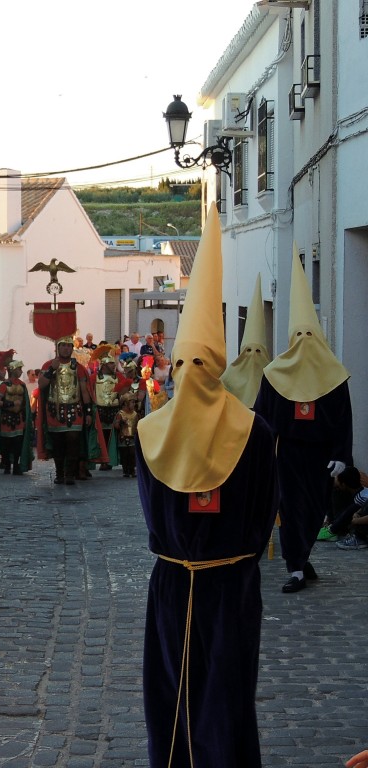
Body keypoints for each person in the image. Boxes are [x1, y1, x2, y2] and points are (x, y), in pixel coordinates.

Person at [136, 207, 277, 768]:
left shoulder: (152, 433)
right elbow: (266, 511)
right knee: (226, 695)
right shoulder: (254, 429)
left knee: (179, 694)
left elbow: (151, 512)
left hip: (175, 583)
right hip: (232, 584)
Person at [254, 245, 354, 593]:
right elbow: (262, 418)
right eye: (299, 336)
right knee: (291, 509)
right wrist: (260, 450)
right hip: (289, 453)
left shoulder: (334, 375)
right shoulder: (273, 374)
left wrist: (343, 455)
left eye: (309, 335)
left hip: (323, 456)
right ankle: (295, 565)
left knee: (314, 511)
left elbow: (344, 419)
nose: (304, 342)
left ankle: (303, 553)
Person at [37, 335, 94, 485]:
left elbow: (84, 391)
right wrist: (51, 370)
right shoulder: (48, 365)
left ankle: (70, 474)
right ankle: (59, 474)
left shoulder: (78, 367)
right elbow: (41, 385)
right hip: (54, 410)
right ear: (58, 347)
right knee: (58, 443)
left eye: (69, 346)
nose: (66, 348)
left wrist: (88, 412)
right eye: (63, 345)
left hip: (74, 409)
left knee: (73, 441)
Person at [221, 274, 271, 408]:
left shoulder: (273, 377)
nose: (253, 355)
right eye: (248, 350)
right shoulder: (229, 378)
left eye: (258, 351)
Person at [90, 345, 131, 471]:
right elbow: (91, 393)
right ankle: (103, 460)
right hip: (100, 410)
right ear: (103, 364)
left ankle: (120, 461)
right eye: (111, 364)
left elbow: (126, 392)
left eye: (114, 364)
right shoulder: (94, 378)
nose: (114, 366)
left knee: (117, 437)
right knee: (101, 437)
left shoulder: (118, 377)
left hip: (114, 410)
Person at [0, 360, 29, 475]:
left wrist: (26, 419)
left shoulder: (22, 385)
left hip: (19, 418)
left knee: (18, 442)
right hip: (6, 418)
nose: (21, 371)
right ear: (13, 370)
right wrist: (11, 404)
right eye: (19, 369)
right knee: (6, 443)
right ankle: (7, 465)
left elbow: (25, 404)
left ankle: (16, 465)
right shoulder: (4, 385)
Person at [112, 393, 139, 477]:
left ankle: (132, 470)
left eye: (134, 402)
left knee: (132, 454)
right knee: (125, 455)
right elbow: (116, 426)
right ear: (125, 403)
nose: (134, 404)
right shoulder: (120, 414)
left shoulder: (135, 414)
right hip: (123, 438)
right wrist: (120, 422)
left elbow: (138, 425)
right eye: (132, 402)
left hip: (132, 437)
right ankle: (126, 470)